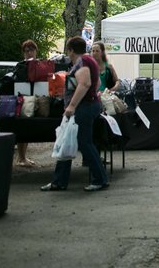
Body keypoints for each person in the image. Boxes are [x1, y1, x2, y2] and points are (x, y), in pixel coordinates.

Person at [41, 36, 109, 192]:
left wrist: (71, 106)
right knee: (67, 142)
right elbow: (96, 83)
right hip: (88, 105)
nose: (68, 53)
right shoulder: (88, 61)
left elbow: (85, 83)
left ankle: (100, 179)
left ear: (71, 49)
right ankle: (59, 181)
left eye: (68, 50)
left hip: (83, 107)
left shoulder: (82, 63)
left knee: (84, 143)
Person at [13, 39, 42, 168]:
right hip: (23, 100)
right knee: (22, 129)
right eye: (26, 51)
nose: (29, 53)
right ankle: (21, 157)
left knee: (28, 129)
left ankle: (23, 157)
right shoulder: (20, 65)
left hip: (36, 98)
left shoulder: (40, 64)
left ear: (36, 51)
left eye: (31, 50)